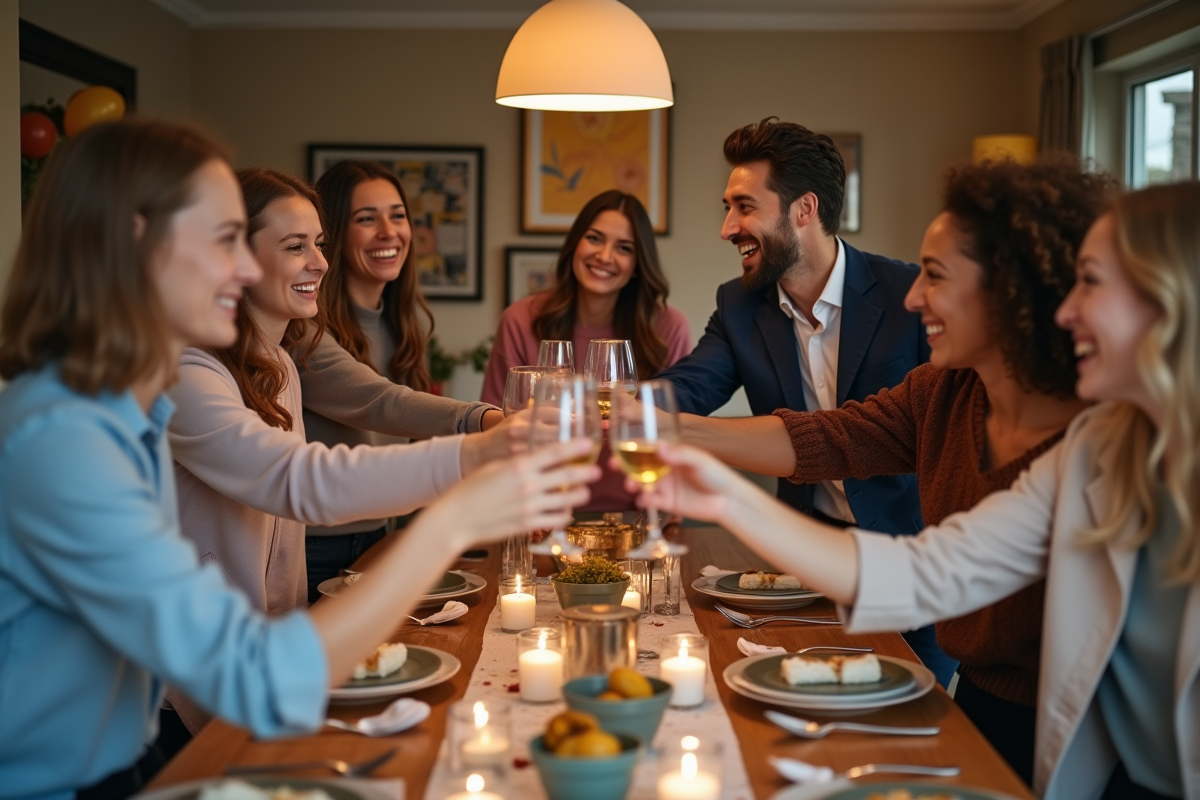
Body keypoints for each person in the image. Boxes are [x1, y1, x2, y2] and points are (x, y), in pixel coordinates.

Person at [0, 119, 597, 800]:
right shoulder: (63, 441)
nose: (248, 269)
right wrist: (455, 511)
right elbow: (290, 497)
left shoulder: (113, 413)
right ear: (139, 241)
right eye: (227, 240)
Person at [638, 182, 1200, 800]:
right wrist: (718, 490)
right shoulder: (1096, 442)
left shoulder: (1089, 430)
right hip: (1028, 726)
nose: (1069, 308)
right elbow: (926, 570)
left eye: (1091, 282)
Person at [656, 116, 952, 684]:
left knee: (915, 722)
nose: (726, 228)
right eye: (727, 207)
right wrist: (606, 403)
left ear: (804, 210)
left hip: (915, 571)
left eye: (744, 207)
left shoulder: (906, 295)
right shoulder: (740, 306)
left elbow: (921, 427)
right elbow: (687, 388)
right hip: (800, 569)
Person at [300, 160, 504, 593]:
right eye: (366, 219)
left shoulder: (401, 327)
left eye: (397, 215)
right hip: (312, 548)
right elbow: (382, 403)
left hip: (379, 538)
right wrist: (490, 420)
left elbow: (421, 450)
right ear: (330, 236)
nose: (388, 231)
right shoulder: (303, 327)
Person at [481, 189, 691, 510]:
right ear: (574, 244)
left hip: (641, 513)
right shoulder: (520, 320)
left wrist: (667, 519)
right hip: (541, 509)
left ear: (637, 264)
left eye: (624, 248)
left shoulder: (668, 327)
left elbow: (677, 435)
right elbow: (497, 424)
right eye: (594, 238)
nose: (605, 256)